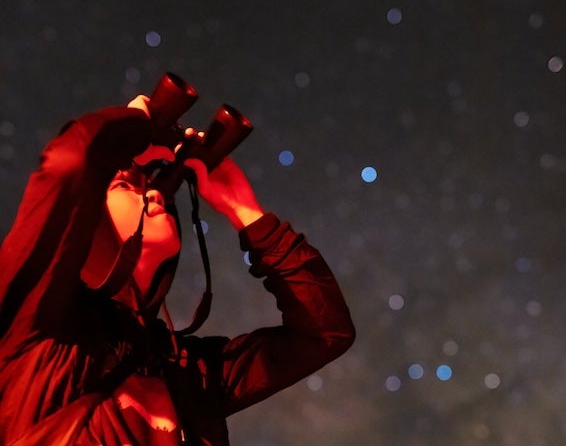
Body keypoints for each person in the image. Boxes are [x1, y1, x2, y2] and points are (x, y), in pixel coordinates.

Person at [0, 93, 355, 446]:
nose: (155, 195)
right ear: (90, 221)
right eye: (125, 185)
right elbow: (68, 164)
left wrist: (247, 213)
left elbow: (324, 333)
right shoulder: (36, 324)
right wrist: (134, 126)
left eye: (158, 189)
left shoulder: (182, 370)